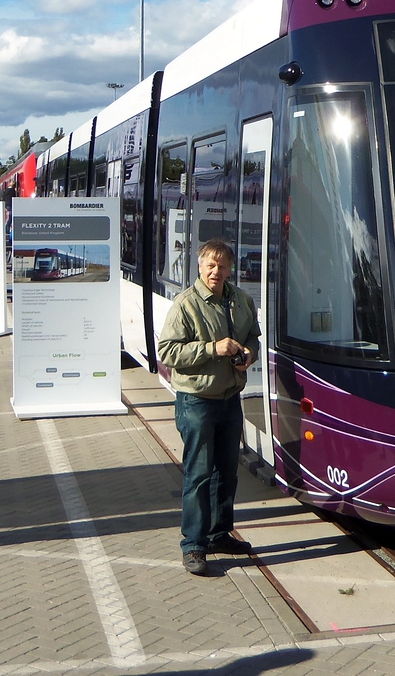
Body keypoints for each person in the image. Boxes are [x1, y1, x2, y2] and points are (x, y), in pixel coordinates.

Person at [157, 238, 261, 576]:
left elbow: (253, 338)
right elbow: (168, 352)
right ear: (200, 267)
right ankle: (194, 545)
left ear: (231, 269)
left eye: (223, 266)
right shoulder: (185, 305)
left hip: (230, 399)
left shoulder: (241, 300)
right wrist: (212, 349)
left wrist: (249, 354)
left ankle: (219, 534)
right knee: (199, 474)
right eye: (211, 266)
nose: (217, 272)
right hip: (197, 401)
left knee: (226, 473)